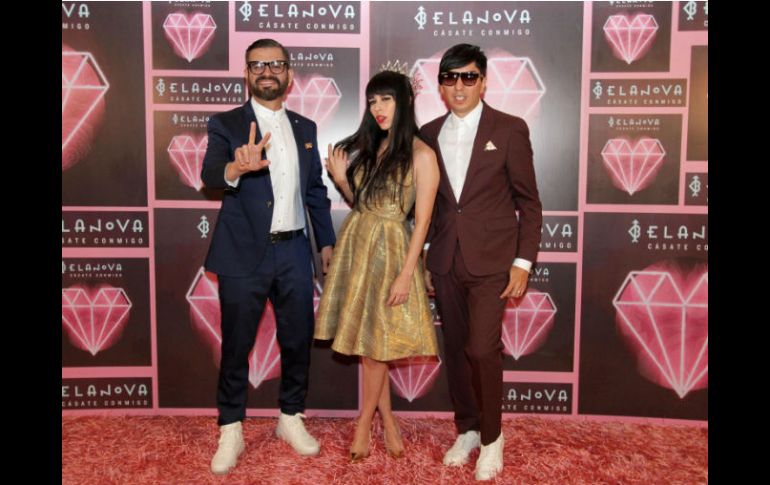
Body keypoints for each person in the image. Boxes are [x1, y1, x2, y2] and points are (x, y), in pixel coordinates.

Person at [200, 38, 336, 475]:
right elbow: (210, 173)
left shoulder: (305, 127)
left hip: (294, 250)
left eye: (275, 64)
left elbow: (315, 191)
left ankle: (290, 417)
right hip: (243, 253)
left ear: (289, 75)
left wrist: (326, 242)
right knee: (237, 344)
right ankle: (231, 427)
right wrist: (237, 168)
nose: (266, 72)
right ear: (246, 74)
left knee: (297, 339)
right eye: (257, 65)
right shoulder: (226, 124)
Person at [419, 44, 543, 481]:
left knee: (481, 348)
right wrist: (426, 256)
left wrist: (523, 263)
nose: (459, 86)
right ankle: (468, 428)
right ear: (440, 85)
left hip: (493, 262)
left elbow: (529, 203)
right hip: (446, 260)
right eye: (450, 78)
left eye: (468, 77)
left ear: (484, 82)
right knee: (455, 349)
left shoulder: (509, 129)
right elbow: (431, 205)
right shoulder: (428, 134)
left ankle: (492, 438)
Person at [314, 70, 440, 462]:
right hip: (358, 246)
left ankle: (364, 422)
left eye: (386, 99)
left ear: (404, 102)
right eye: (372, 101)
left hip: (392, 253)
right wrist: (341, 180)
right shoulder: (375, 147)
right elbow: (364, 204)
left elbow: (422, 222)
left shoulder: (422, 155)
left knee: (377, 347)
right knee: (372, 346)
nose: (378, 108)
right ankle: (388, 419)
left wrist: (407, 273)